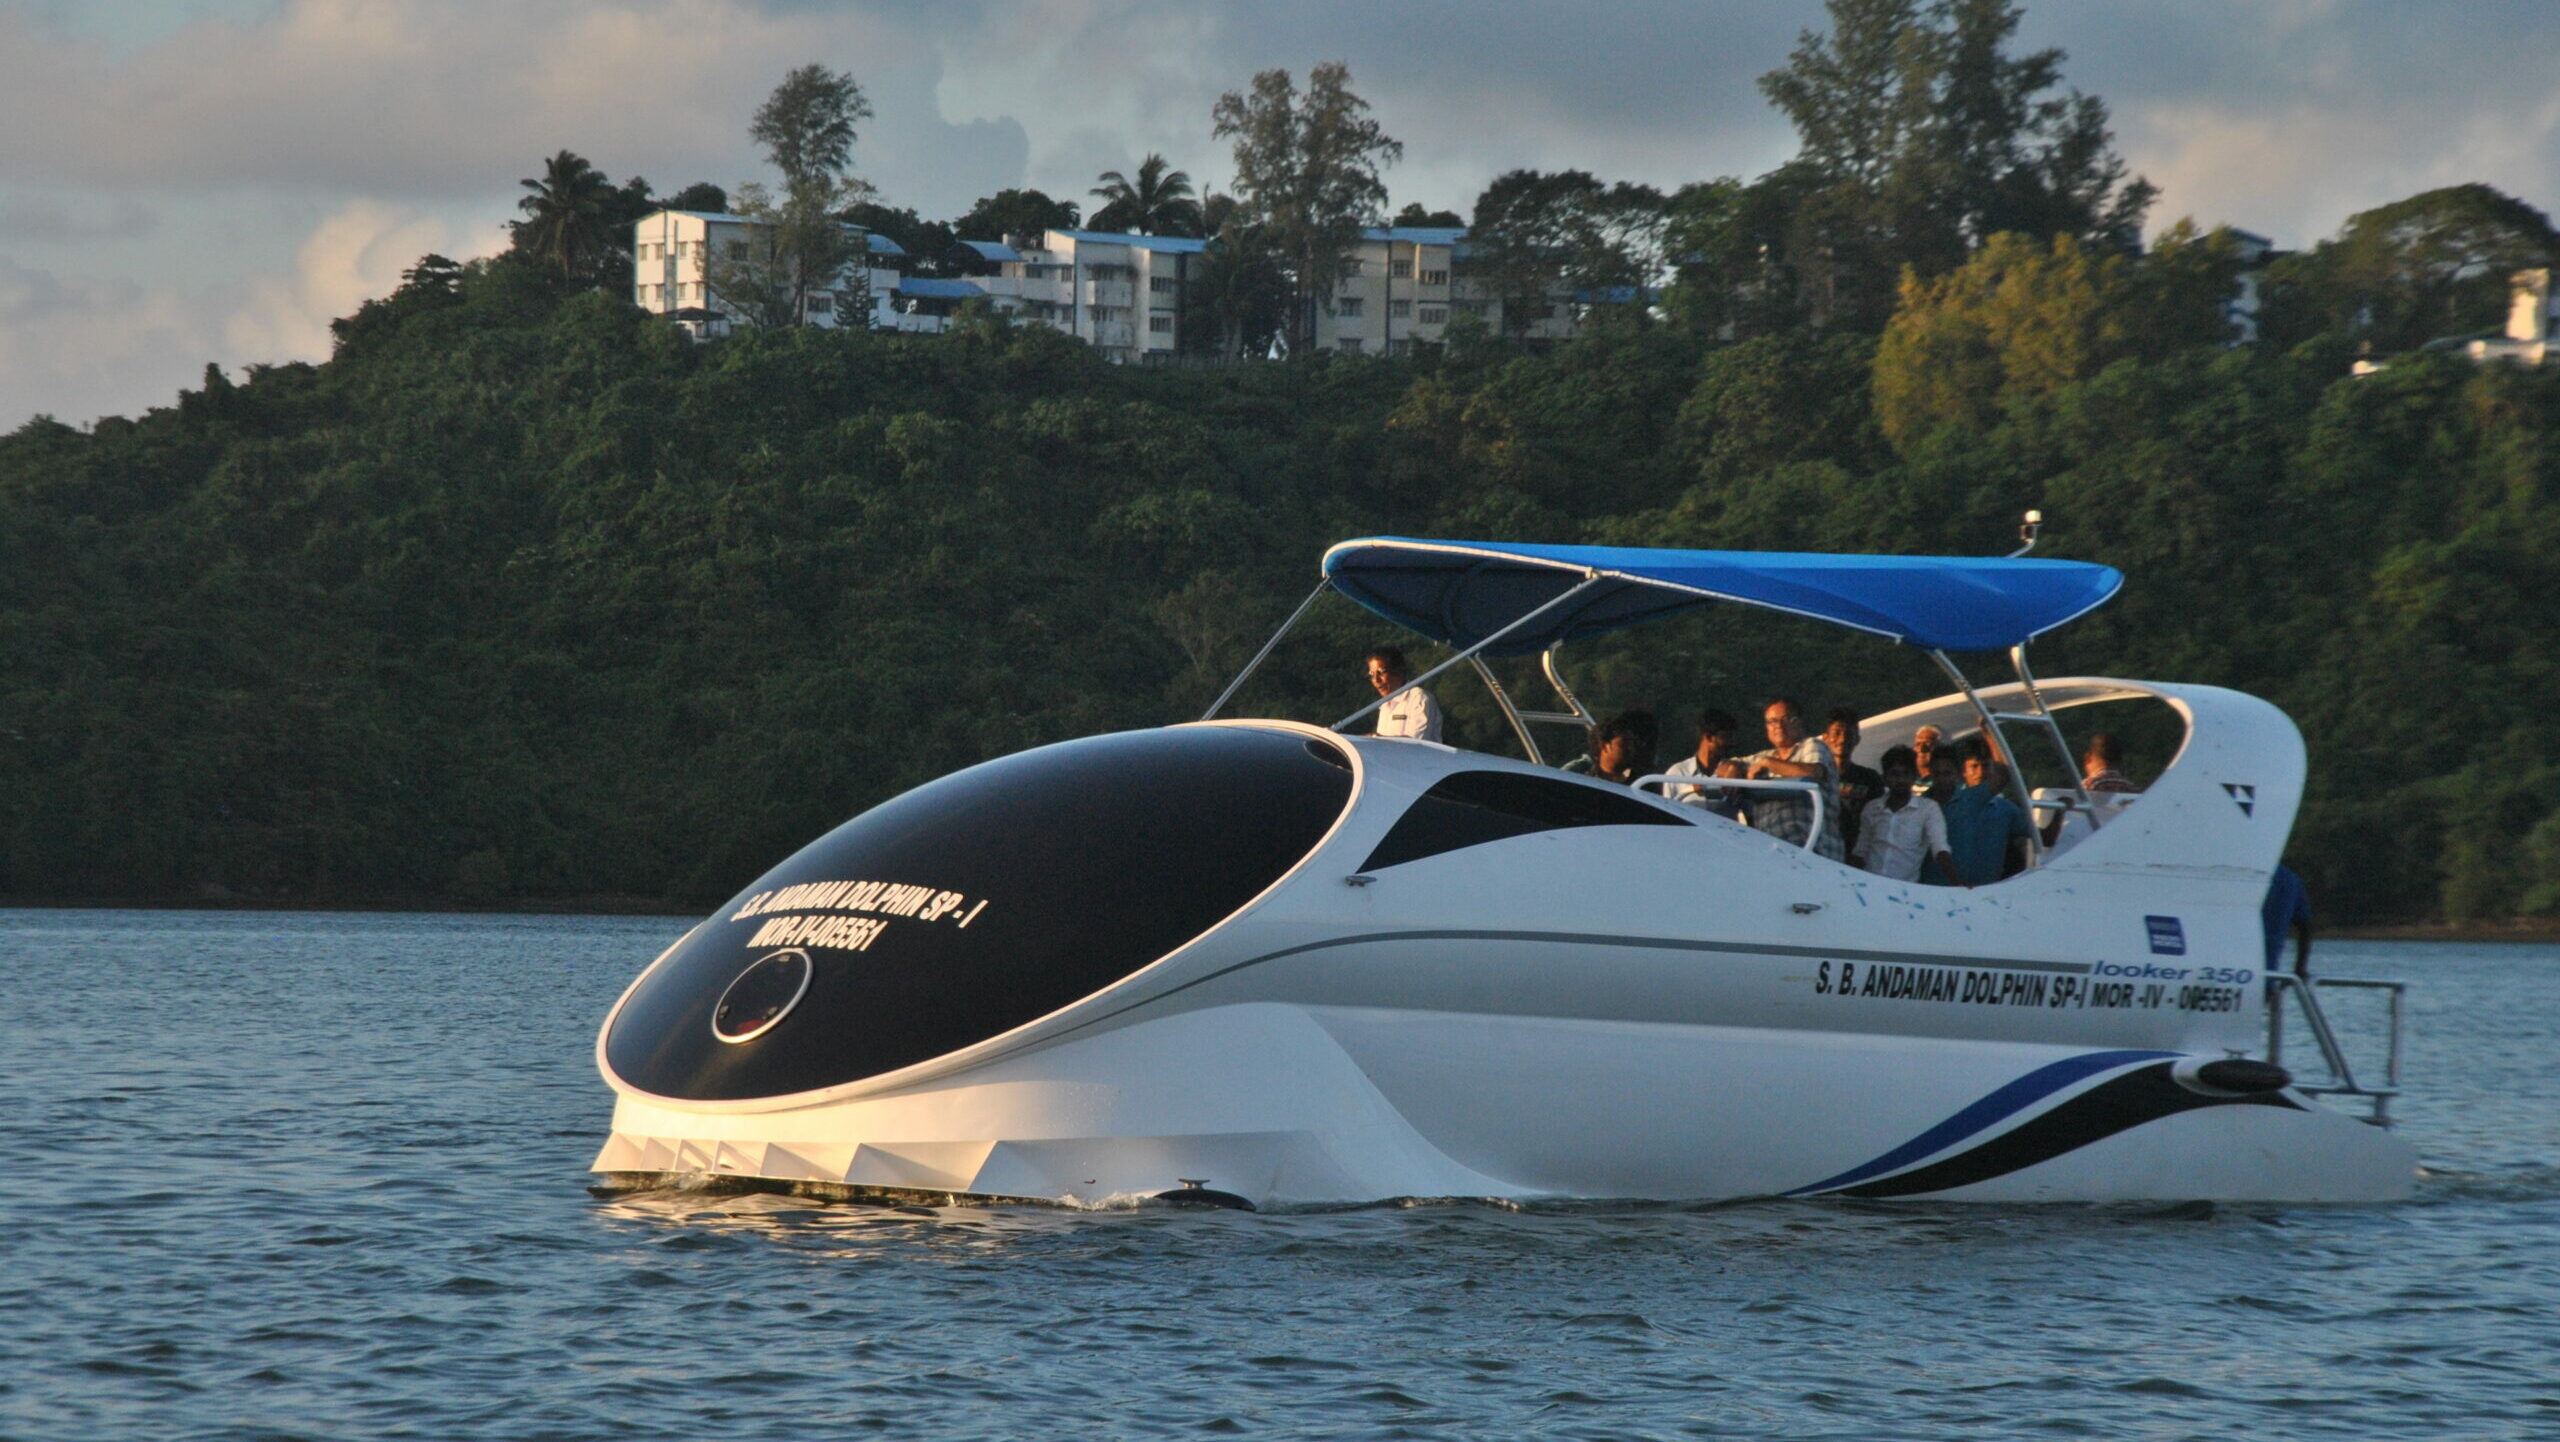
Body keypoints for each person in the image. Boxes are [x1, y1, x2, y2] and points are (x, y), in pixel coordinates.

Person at [1742, 698, 1843, 860]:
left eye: (1786, 719)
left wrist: (1769, 764)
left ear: (1799, 722)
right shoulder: (1762, 757)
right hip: (1773, 855)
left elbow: (1813, 772)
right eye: (1772, 721)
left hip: (1814, 854)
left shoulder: (1813, 746)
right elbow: (1730, 765)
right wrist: (1729, 768)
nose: (1779, 726)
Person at [1852, 746, 1957, 884]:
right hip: (1868, 885)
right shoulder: (1872, 808)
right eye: (1894, 774)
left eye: (1906, 774)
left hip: (1904, 892)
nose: (1900, 780)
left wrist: (1956, 882)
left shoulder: (1928, 809)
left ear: (1914, 776)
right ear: (1885, 778)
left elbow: (1940, 849)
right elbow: (1860, 851)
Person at [1939, 750, 2034, 886]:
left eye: (1986, 766)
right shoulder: (1950, 802)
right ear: (1963, 772)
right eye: (1974, 766)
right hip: (1945, 892)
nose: (1981, 772)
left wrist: (2060, 811)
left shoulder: (2005, 808)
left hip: (1987, 893)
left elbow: (2043, 837)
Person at [1663, 708, 1747, 818]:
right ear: (1707, 737)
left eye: (1732, 737)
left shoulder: (1736, 772)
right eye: (1725, 737)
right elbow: (1667, 817)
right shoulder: (1676, 774)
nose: (1731, 743)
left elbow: (1749, 814)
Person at [1824, 708, 1883, 859]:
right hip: (1824, 852)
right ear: (1825, 738)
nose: (1842, 739)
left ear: (1857, 739)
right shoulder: (1816, 776)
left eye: (1849, 734)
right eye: (1836, 733)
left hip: (1858, 855)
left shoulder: (1870, 778)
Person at [1366, 646, 1442, 742]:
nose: (1376, 680)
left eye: (1381, 673)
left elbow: (1417, 742)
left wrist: (1376, 738)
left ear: (1399, 671)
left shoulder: (1419, 698)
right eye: (1371, 675)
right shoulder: (1384, 705)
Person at [1564, 710, 1654, 786]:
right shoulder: (1575, 776)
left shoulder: (1643, 784)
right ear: (1604, 746)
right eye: (1624, 743)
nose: (1631, 748)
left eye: (1632, 742)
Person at [2262, 863, 2312, 976]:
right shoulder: (2290, 879)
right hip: (2266, 973)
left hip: (2221, 972)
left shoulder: (2227, 873)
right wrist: (2300, 968)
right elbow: (2305, 927)